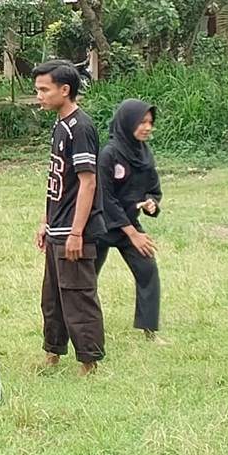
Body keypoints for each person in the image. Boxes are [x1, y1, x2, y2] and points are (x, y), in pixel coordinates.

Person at [33, 59, 106, 377]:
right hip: (57, 227)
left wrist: (77, 233)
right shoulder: (60, 125)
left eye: (44, 90)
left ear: (65, 90)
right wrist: (46, 223)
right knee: (53, 297)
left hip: (75, 230)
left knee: (78, 296)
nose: (39, 96)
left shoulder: (81, 127)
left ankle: (88, 362)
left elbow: (88, 181)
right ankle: (53, 352)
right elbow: (58, 181)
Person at [97, 99, 163, 341]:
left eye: (150, 123)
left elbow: (153, 190)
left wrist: (151, 203)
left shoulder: (145, 154)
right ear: (127, 123)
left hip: (129, 223)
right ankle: (86, 329)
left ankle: (149, 331)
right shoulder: (109, 154)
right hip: (101, 225)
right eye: (141, 122)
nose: (147, 127)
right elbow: (105, 198)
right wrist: (133, 234)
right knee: (85, 281)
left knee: (148, 270)